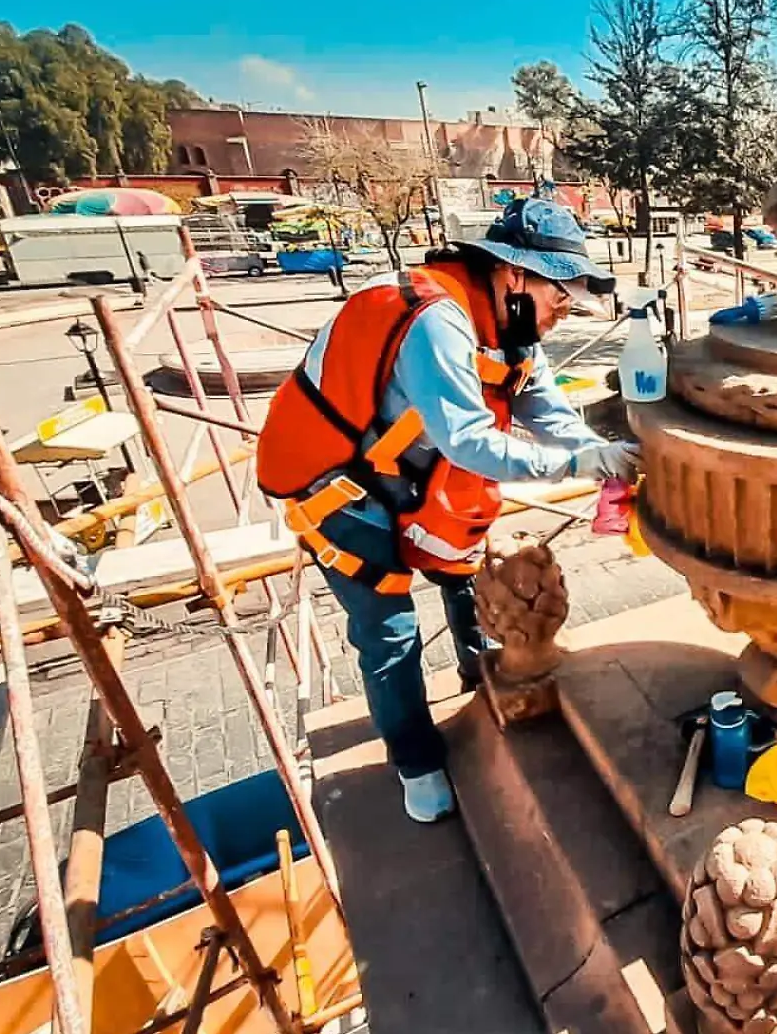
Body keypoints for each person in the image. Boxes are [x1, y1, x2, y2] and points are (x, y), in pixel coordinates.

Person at [256, 198, 639, 824]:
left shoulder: (513, 330)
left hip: (414, 475)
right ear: (515, 275)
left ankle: (484, 681)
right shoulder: (437, 321)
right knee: (388, 629)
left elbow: (545, 411)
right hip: (340, 486)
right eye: (560, 297)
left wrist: (598, 450)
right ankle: (416, 763)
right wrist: (575, 467)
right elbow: (468, 440)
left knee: (466, 580)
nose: (561, 313)